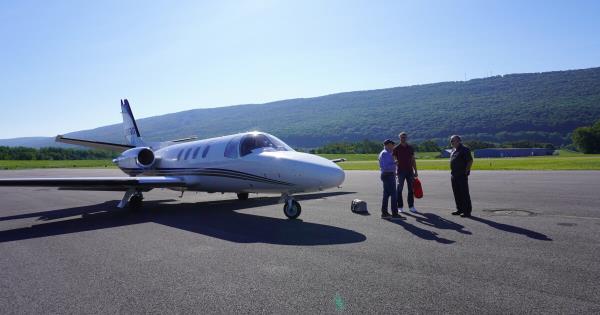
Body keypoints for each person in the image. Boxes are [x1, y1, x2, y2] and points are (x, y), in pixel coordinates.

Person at [392, 132, 418, 213]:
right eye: (402, 137)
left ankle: (411, 206)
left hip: (410, 171)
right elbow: (393, 160)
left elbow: (413, 159)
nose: (403, 138)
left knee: (411, 189)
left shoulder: (410, 148)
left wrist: (416, 171)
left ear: (406, 138)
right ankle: (400, 206)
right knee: (399, 189)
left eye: (404, 137)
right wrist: (395, 168)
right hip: (400, 171)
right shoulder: (396, 148)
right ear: (399, 138)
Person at [378, 139, 404, 219]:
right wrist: (395, 163)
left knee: (386, 195)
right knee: (394, 195)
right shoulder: (386, 153)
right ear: (388, 145)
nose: (393, 146)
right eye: (392, 145)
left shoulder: (385, 153)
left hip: (386, 175)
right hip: (388, 175)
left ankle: (384, 213)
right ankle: (395, 214)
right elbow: (386, 167)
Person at [449, 135, 473, 217]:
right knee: (457, 193)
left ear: (459, 141)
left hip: (461, 175)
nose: (451, 142)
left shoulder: (464, 149)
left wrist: (466, 172)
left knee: (464, 193)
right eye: (451, 141)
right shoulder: (453, 150)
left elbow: (470, 161)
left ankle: (467, 211)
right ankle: (459, 209)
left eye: (453, 140)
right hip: (454, 174)